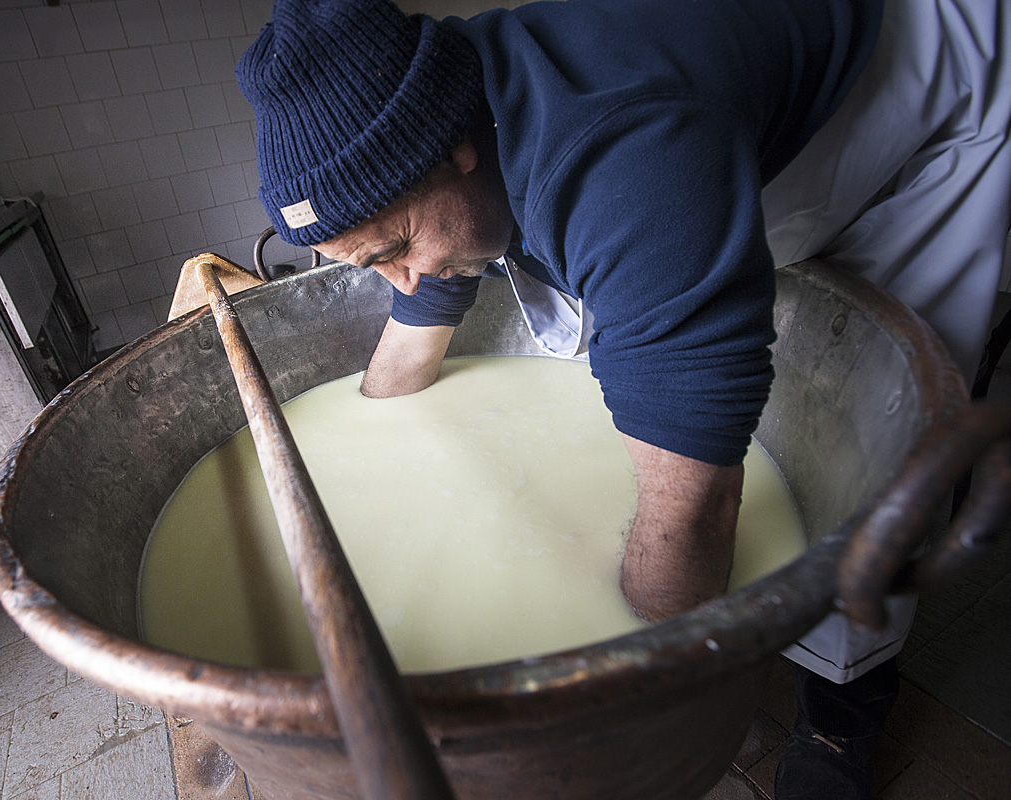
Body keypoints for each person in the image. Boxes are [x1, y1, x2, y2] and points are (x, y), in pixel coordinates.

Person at [234, 1, 1011, 797]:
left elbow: (697, 508)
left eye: (395, 248)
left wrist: (630, 696)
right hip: (702, 113)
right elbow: (436, 268)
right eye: (371, 263)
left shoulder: (621, 158)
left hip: (934, 91)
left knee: (883, 417)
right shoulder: (455, 113)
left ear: (454, 149)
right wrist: (370, 430)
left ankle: (843, 715)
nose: (399, 274)